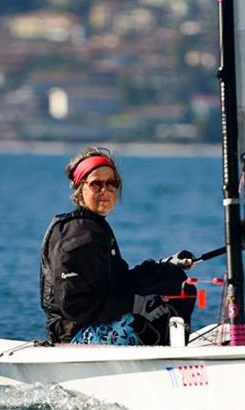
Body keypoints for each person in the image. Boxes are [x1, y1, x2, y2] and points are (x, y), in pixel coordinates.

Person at [40, 146, 196, 345]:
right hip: (78, 332)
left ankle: (175, 355)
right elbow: (75, 305)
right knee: (159, 311)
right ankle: (171, 361)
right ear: (80, 188)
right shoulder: (77, 235)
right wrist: (137, 305)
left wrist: (166, 265)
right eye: (96, 185)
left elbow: (119, 281)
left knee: (175, 282)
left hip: (99, 319)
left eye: (111, 184)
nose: (105, 191)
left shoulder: (96, 227)